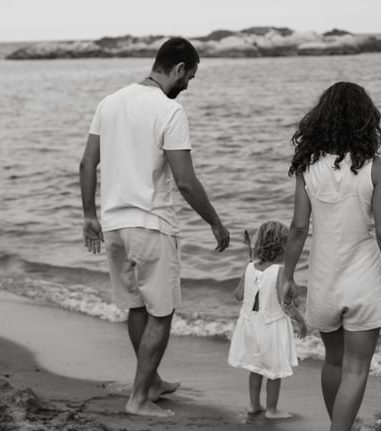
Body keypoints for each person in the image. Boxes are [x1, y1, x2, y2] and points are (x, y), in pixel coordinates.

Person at [79, 37, 230, 417]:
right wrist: (215, 221)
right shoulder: (169, 111)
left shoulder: (108, 103)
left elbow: (87, 164)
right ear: (178, 69)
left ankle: (153, 382)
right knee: (161, 314)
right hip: (151, 225)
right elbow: (185, 181)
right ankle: (139, 398)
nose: (187, 86)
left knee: (136, 307)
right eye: (189, 77)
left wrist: (89, 216)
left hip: (113, 225)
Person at [280, 82, 381, 431]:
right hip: (363, 281)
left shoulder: (307, 168)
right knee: (356, 368)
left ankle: (341, 426)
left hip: (323, 279)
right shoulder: (377, 168)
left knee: (334, 362)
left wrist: (287, 276)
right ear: (365, 120)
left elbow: (297, 228)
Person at [228, 221, 307, 420]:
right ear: (282, 246)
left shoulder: (249, 267)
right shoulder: (279, 271)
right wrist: (301, 321)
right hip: (271, 326)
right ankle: (272, 409)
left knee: (256, 367)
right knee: (274, 370)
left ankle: (254, 404)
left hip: (249, 324)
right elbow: (285, 304)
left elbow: (238, 295)